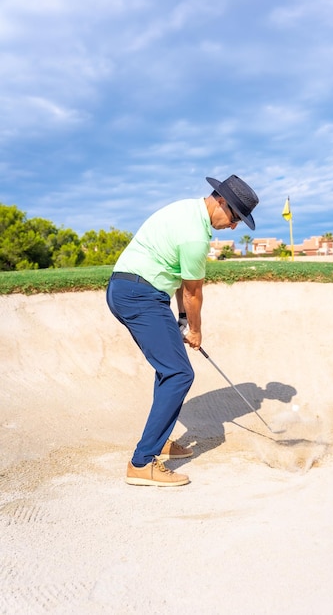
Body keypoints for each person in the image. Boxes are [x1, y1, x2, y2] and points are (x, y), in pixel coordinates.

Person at [106, 174, 259, 486]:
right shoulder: (195, 237)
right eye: (235, 218)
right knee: (180, 374)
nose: (233, 226)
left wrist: (181, 321)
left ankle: (158, 440)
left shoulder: (184, 210)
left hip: (130, 289)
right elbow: (192, 293)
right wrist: (197, 331)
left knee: (168, 369)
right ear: (220, 201)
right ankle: (141, 463)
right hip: (140, 295)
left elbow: (178, 282)